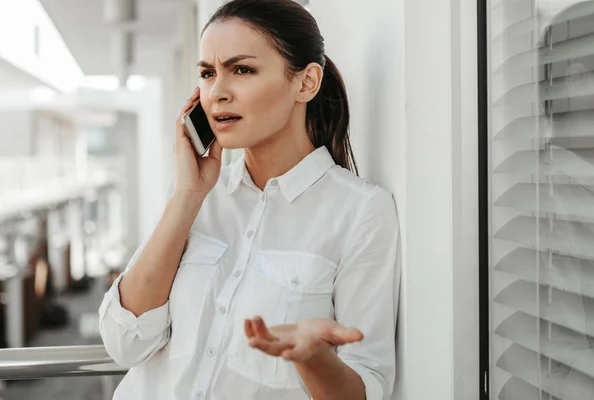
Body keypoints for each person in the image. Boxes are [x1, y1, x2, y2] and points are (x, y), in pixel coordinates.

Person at [98, 0, 400, 399]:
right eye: (208, 73)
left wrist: (311, 358)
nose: (217, 92)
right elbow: (125, 342)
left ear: (306, 82)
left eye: (242, 70)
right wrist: (187, 196)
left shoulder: (361, 212)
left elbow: (368, 385)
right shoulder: (194, 195)